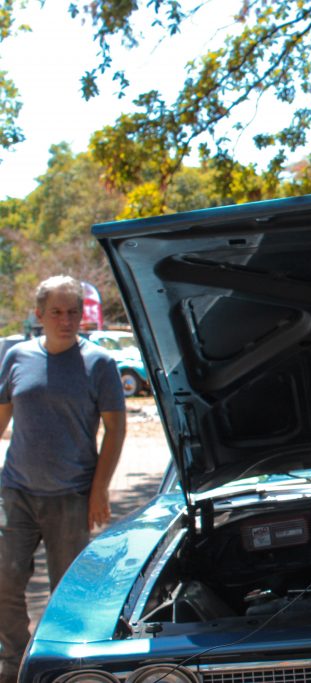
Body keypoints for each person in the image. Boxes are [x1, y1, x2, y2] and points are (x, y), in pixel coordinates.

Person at [0, 276, 126, 683]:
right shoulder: (16, 356)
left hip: (71, 496)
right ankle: (16, 658)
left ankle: (65, 666)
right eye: (56, 311)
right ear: (39, 314)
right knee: (3, 579)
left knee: (67, 595)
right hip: (16, 490)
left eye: (73, 311)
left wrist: (98, 491)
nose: (66, 319)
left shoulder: (100, 363)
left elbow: (116, 430)